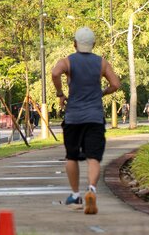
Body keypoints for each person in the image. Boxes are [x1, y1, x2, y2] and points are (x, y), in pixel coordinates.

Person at [51, 27, 120, 215]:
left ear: (74, 43)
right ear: (93, 44)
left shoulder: (67, 61)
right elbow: (115, 84)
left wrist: (60, 93)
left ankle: (75, 196)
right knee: (93, 157)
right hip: (95, 118)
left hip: (73, 118)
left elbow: (55, 73)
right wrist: (102, 92)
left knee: (72, 157)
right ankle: (91, 190)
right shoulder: (102, 63)